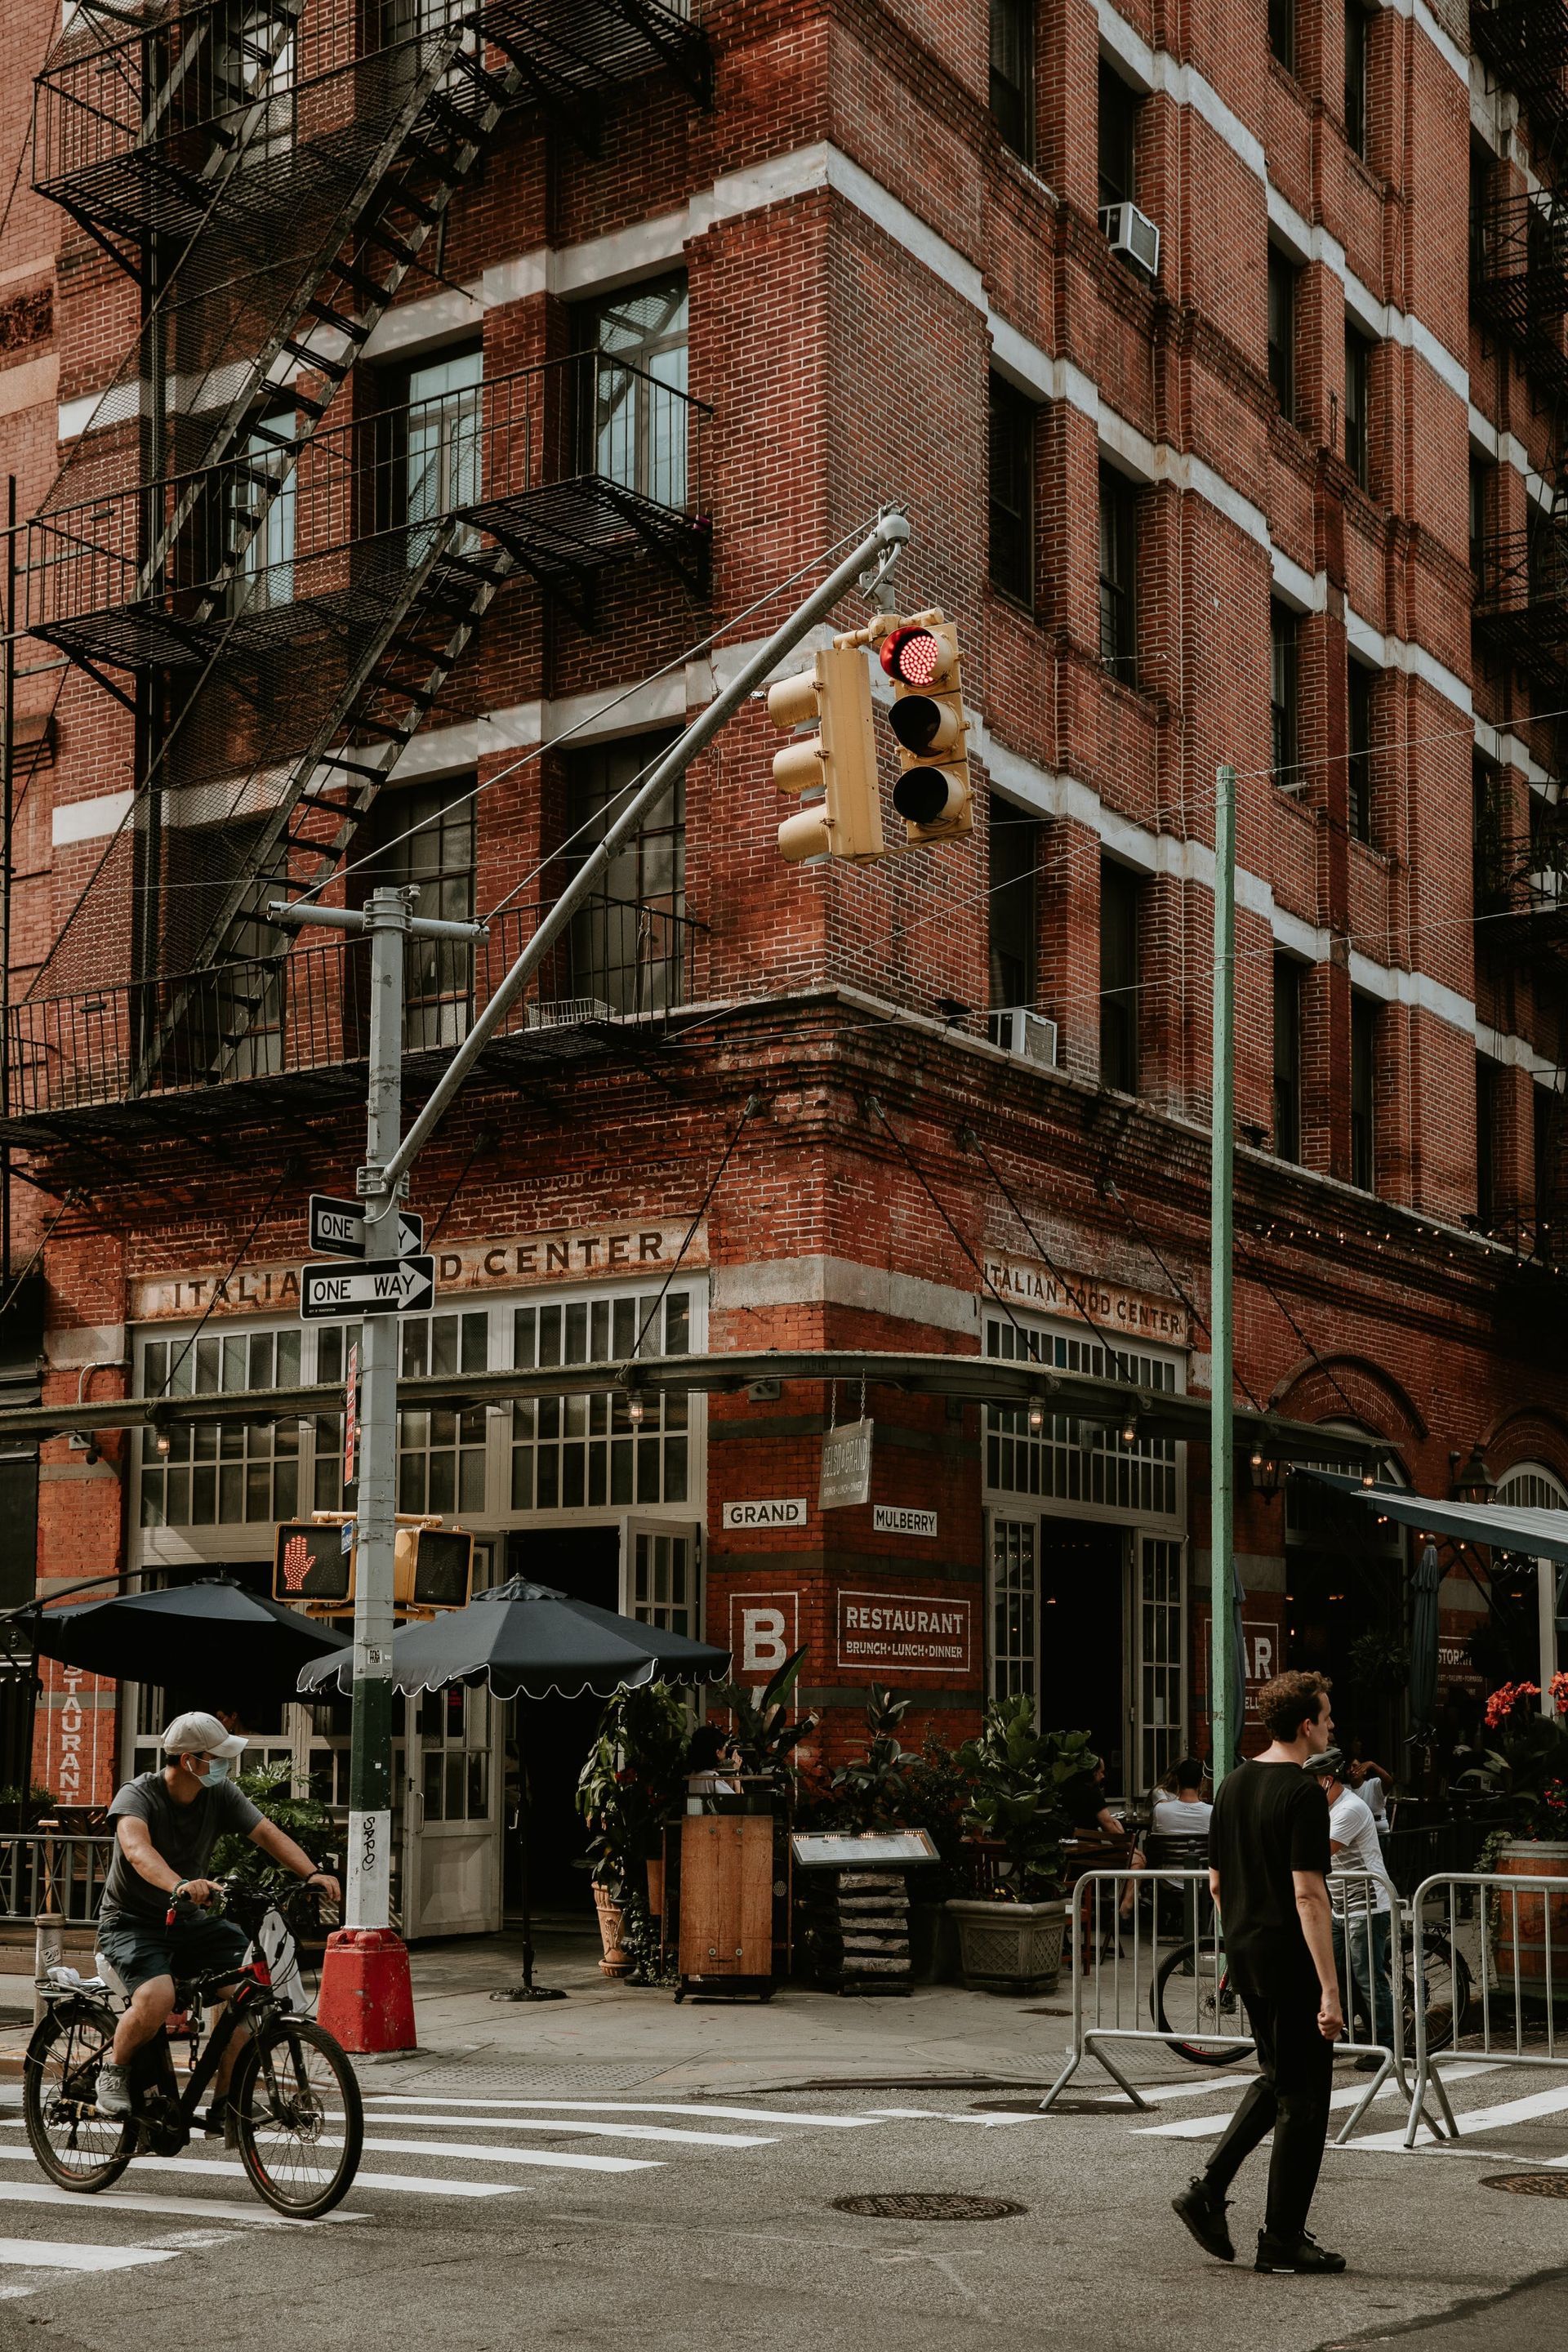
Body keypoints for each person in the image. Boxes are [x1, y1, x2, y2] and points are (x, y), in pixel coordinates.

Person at [1171, 1669, 1346, 2276]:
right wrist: (1329, 1987)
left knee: (1277, 2079)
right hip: (1291, 1959)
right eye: (1326, 1718)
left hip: (1247, 1953)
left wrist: (1244, 1933)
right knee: (1305, 2098)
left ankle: (1209, 2192)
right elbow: (1308, 1896)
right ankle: (1281, 2237)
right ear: (1305, 1724)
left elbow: (1217, 1883)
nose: (1331, 1727)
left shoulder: (1236, 1785)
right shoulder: (1301, 1794)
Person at [92, 1712, 341, 2132]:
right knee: (157, 1998)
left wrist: (311, 1873)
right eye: (218, 1756)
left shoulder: (220, 1793)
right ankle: (113, 2072)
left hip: (187, 1922)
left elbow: (266, 1833)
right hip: (131, 1922)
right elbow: (137, 1850)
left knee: (253, 1988)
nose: (226, 1764)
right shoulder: (138, 1796)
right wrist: (181, 1885)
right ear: (190, 1760)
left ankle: (227, 2102)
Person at [1307, 1747, 1395, 2065]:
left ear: (1328, 1781)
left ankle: (1386, 2047)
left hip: (1367, 1904)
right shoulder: (1326, 1809)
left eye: (1313, 1784)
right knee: (1336, 1974)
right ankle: (1349, 2035)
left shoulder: (1350, 1809)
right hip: (1340, 1904)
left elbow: (1318, 1852)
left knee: (1368, 1978)